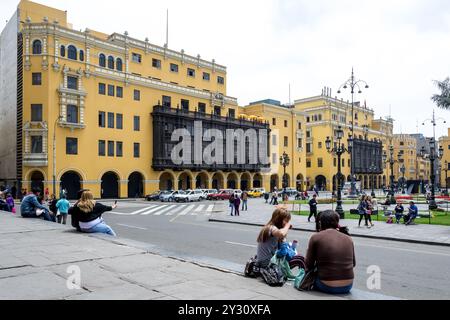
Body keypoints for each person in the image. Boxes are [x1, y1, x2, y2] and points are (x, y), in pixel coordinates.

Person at [306, 210, 355, 295]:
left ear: (321, 222)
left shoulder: (316, 237)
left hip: (326, 285)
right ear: (337, 222)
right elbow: (353, 264)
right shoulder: (348, 238)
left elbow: (309, 265)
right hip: (348, 286)